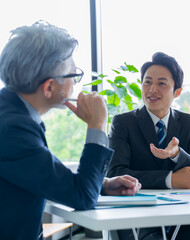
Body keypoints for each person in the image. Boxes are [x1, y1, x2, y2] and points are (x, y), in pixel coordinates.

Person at [0, 21, 141, 240]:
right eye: (72, 75)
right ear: (49, 87)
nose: (76, 82)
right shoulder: (13, 129)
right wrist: (98, 125)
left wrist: (101, 184)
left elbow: (40, 175)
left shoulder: (10, 113)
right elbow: (82, 197)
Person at [107, 52, 190, 240]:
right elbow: (115, 173)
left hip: (185, 221)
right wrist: (170, 179)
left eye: (161, 83)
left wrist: (178, 154)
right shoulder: (123, 123)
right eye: (147, 82)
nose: (152, 89)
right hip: (138, 221)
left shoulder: (189, 123)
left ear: (177, 91)